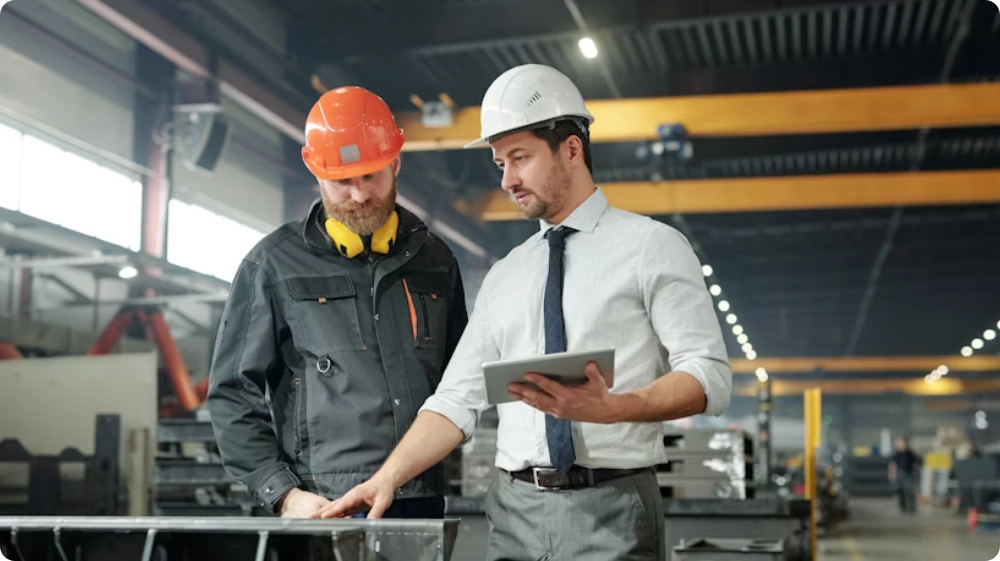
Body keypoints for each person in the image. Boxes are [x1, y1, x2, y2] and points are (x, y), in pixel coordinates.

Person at [315, 64, 732, 560]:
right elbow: (455, 399)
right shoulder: (507, 274)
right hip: (513, 511)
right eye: (499, 164)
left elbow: (709, 376)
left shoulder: (652, 247)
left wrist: (615, 408)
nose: (508, 179)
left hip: (612, 505)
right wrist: (384, 480)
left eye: (520, 157)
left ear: (571, 149)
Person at [206, 86, 468, 519]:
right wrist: (283, 493)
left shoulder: (436, 260)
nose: (360, 195)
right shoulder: (273, 265)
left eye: (372, 176)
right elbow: (233, 392)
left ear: (396, 162)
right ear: (316, 173)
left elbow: (463, 380)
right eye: (342, 182)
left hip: (419, 497)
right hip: (325, 505)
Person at [889, 435, 921, 514]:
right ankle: (903, 507)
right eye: (899, 443)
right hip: (899, 473)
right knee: (900, 491)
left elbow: (918, 462)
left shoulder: (910, 453)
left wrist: (915, 470)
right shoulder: (897, 454)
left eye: (902, 443)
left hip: (908, 474)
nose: (901, 445)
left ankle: (912, 508)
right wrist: (892, 474)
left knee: (909, 491)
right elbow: (892, 465)